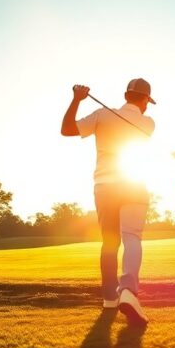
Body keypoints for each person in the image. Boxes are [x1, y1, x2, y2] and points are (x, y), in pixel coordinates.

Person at [61, 78, 155, 326]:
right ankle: (128, 292)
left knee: (110, 242)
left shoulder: (103, 114)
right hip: (133, 183)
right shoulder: (148, 123)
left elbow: (67, 129)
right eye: (148, 101)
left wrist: (76, 100)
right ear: (144, 99)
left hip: (104, 186)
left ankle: (109, 299)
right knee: (132, 236)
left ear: (126, 95)